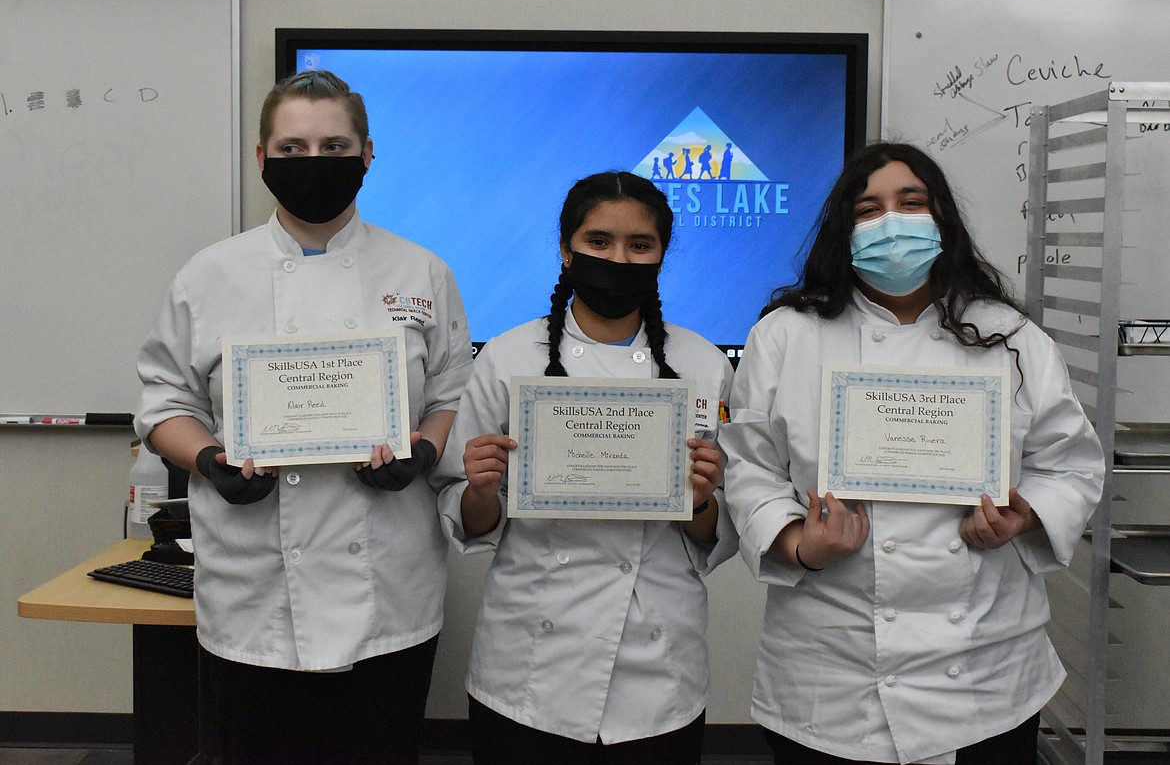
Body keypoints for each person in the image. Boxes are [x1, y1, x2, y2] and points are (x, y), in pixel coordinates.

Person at [720, 142, 1104, 765]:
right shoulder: (785, 334)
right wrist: (799, 544)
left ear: (942, 219)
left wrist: (1023, 513)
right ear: (843, 230)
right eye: (867, 209)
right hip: (832, 666)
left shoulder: (1009, 335)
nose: (890, 223)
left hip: (984, 666)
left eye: (911, 202)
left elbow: (1069, 462)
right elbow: (750, 469)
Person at [135, 70, 473, 764]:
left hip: (387, 583)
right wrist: (209, 461)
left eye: (333, 144)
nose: (312, 163)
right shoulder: (209, 275)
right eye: (291, 149)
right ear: (261, 158)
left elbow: (451, 392)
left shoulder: (422, 272)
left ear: (368, 153)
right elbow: (166, 401)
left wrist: (424, 452)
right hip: (255, 585)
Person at [434, 171, 737, 764]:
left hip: (659, 669)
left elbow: (715, 534)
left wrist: (701, 497)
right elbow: (470, 520)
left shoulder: (703, 364)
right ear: (566, 250)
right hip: (531, 670)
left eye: (639, 245)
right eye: (599, 242)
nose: (618, 258)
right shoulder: (508, 358)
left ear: (661, 255)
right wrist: (482, 487)